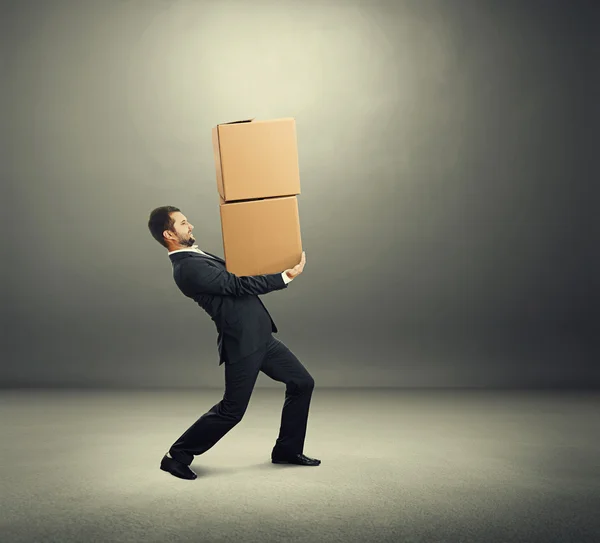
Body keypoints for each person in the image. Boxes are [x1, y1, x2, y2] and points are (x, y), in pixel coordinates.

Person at [147, 206, 320, 480]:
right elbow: (237, 286)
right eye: (183, 223)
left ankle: (287, 450)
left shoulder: (195, 255)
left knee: (302, 383)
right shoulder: (187, 268)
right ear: (169, 234)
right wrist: (286, 277)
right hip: (242, 344)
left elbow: (240, 273)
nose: (190, 225)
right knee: (232, 410)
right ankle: (176, 456)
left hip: (262, 338)